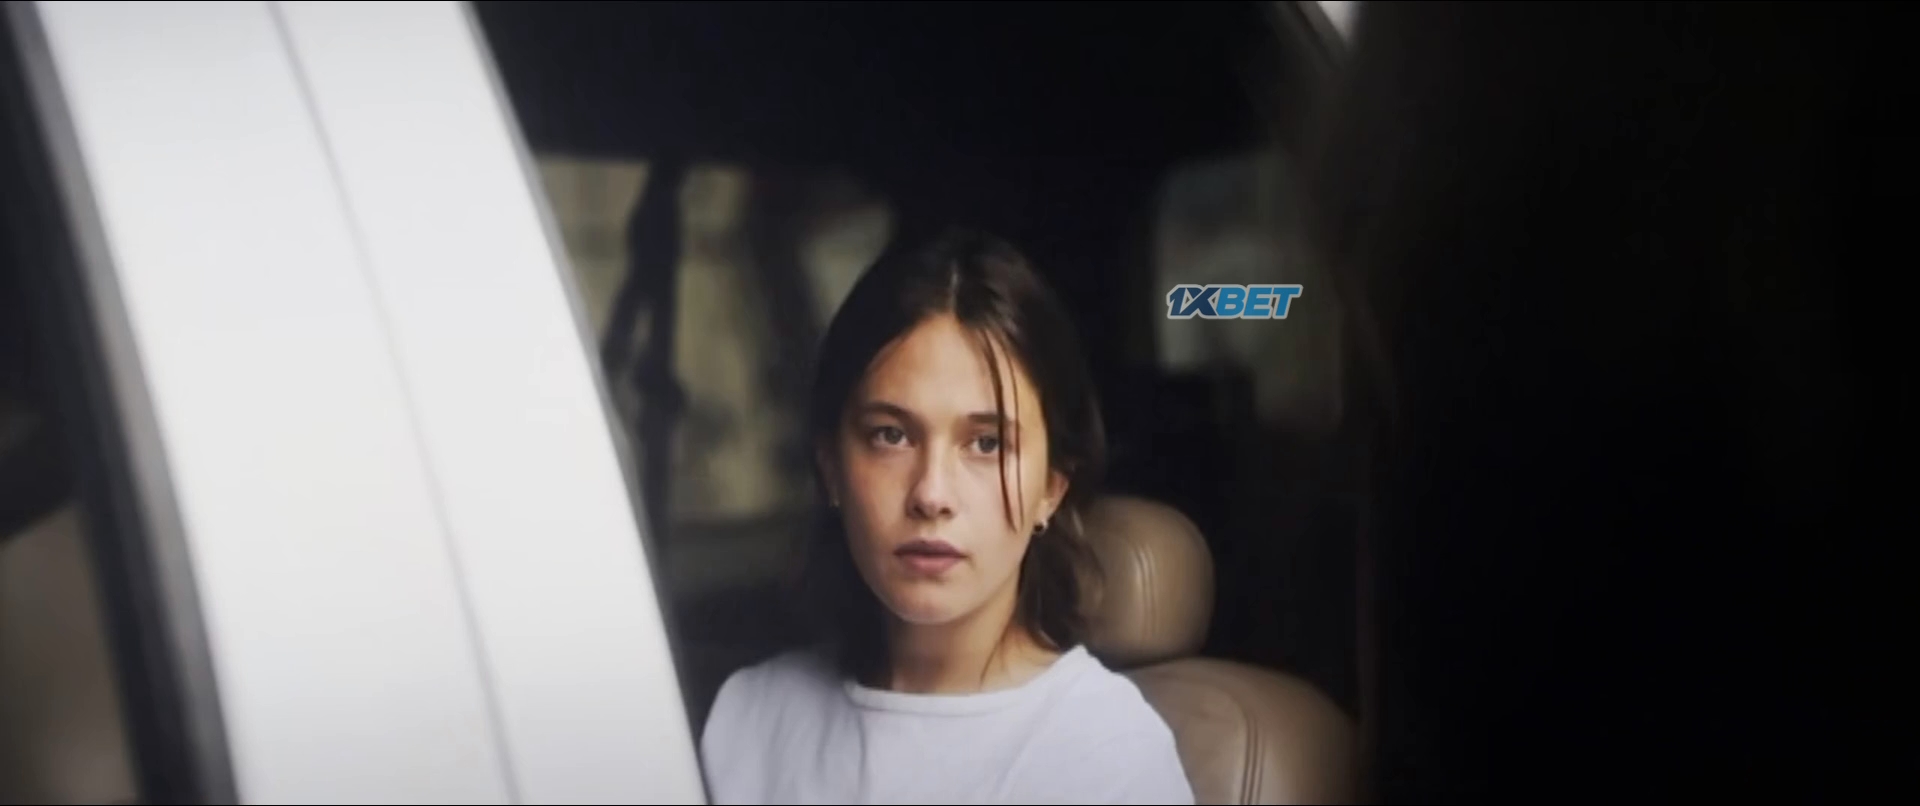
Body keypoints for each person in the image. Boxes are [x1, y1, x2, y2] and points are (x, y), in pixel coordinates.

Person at [698, 229, 1194, 804]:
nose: (932, 494)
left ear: (1051, 488)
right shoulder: (749, 720)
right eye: (890, 435)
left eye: (986, 444)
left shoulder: (1107, 756)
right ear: (831, 467)